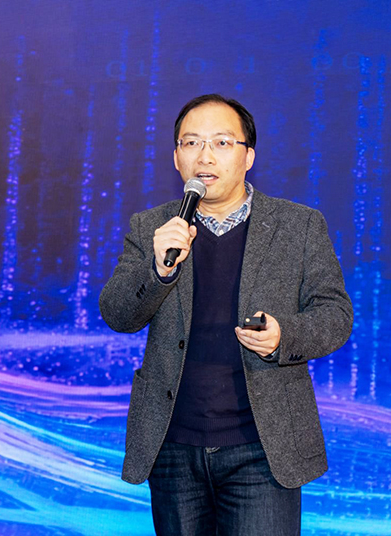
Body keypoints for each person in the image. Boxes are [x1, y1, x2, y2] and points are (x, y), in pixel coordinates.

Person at [99, 94, 353, 535]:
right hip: (172, 445)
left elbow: (335, 315)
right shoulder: (153, 228)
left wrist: (283, 337)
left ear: (248, 156)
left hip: (262, 446)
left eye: (221, 142)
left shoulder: (298, 226)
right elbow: (118, 314)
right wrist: (158, 270)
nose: (205, 156)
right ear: (176, 157)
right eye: (191, 143)